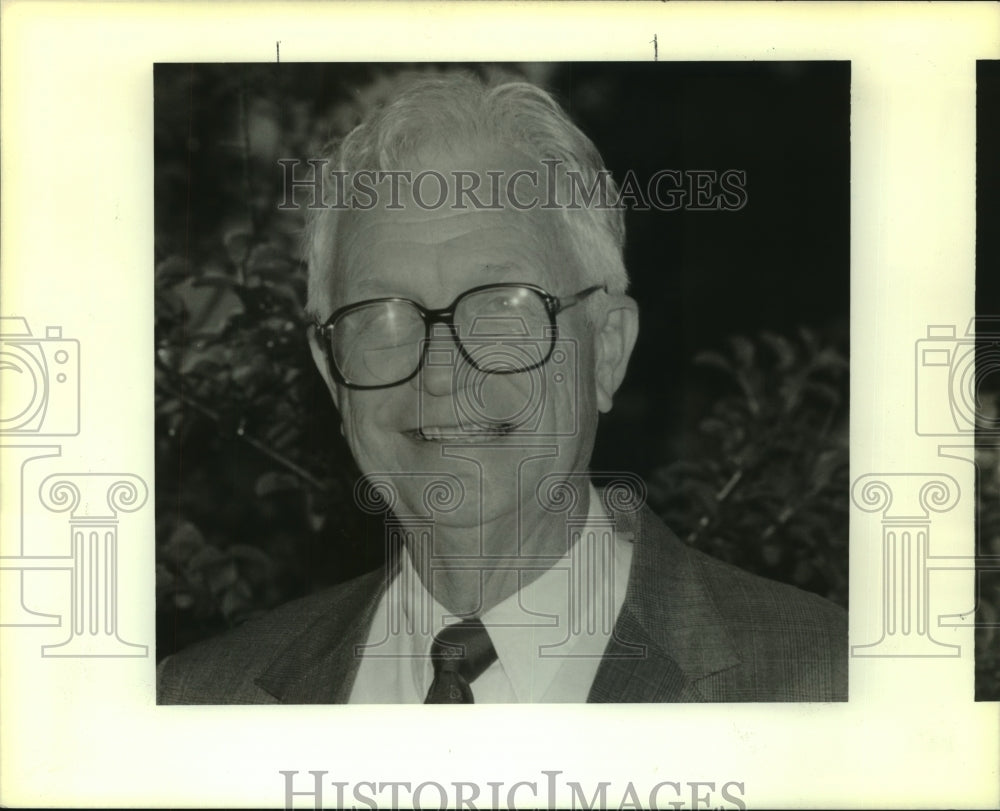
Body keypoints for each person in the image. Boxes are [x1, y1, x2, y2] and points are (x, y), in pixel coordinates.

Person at [157, 71, 847, 704]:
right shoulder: (200, 703)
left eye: (501, 307)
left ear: (606, 350)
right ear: (329, 369)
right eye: (383, 315)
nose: (440, 370)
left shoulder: (827, 683)